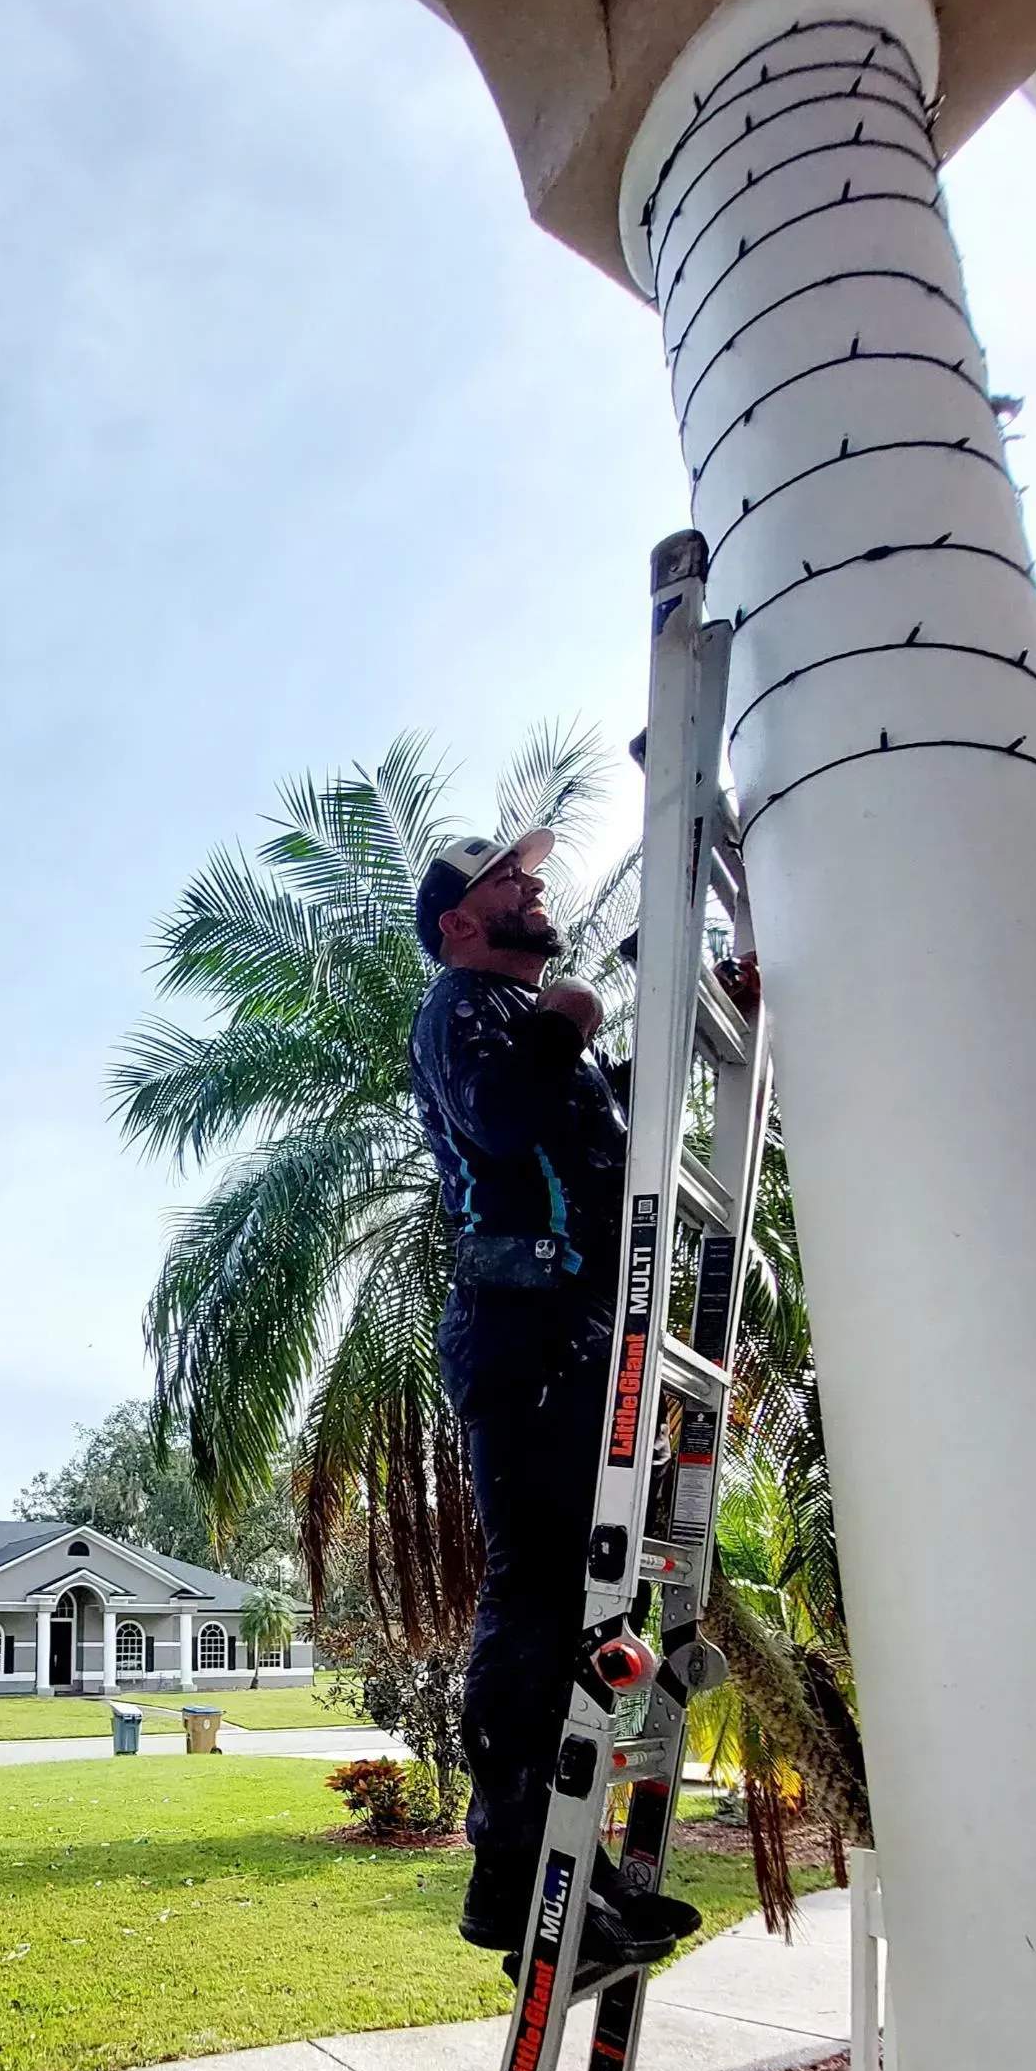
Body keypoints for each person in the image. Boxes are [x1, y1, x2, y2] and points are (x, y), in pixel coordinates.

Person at [410, 827, 702, 1974]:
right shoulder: (461, 1004)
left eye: (530, 873)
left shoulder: (524, 1030)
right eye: (505, 879)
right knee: (533, 1589)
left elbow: (584, 1130)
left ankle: (568, 1870)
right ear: (459, 925)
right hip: (521, 1332)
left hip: (569, 1333)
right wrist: (570, 1019)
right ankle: (511, 1879)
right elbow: (500, 1120)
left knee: (581, 1595)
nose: (533, 885)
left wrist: (666, 1041)